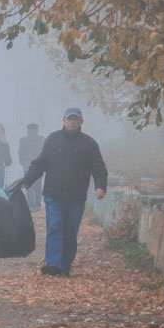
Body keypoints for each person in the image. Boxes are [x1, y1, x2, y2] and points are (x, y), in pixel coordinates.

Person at [16, 107, 107, 277]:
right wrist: (27, 180)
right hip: (53, 194)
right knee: (55, 227)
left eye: (75, 119)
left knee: (70, 232)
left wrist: (100, 186)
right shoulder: (53, 139)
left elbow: (98, 166)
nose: (72, 122)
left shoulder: (89, 143)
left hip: (76, 196)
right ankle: (53, 265)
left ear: (81, 122)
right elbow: (41, 163)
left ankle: (65, 266)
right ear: (63, 120)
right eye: (69, 119)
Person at [17, 122, 45, 210]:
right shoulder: (42, 139)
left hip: (27, 166)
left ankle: (30, 205)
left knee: (28, 185)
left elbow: (21, 153)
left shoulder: (23, 140)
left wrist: (22, 162)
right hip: (39, 166)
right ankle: (37, 205)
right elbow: (44, 152)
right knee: (38, 186)